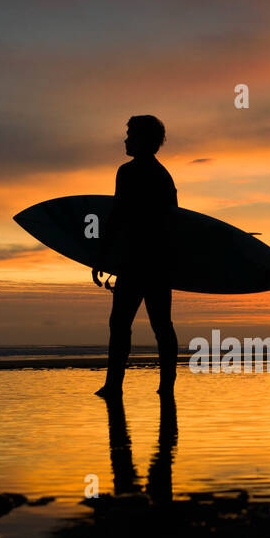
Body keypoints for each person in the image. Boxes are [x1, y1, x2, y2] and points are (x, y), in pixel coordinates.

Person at [95, 115, 179, 398]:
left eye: (130, 134)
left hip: (134, 263)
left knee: (120, 324)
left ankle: (113, 386)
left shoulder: (128, 173)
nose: (126, 139)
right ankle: (166, 386)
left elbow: (117, 218)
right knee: (161, 326)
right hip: (158, 263)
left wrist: (101, 257)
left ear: (144, 139)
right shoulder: (164, 176)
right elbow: (173, 224)